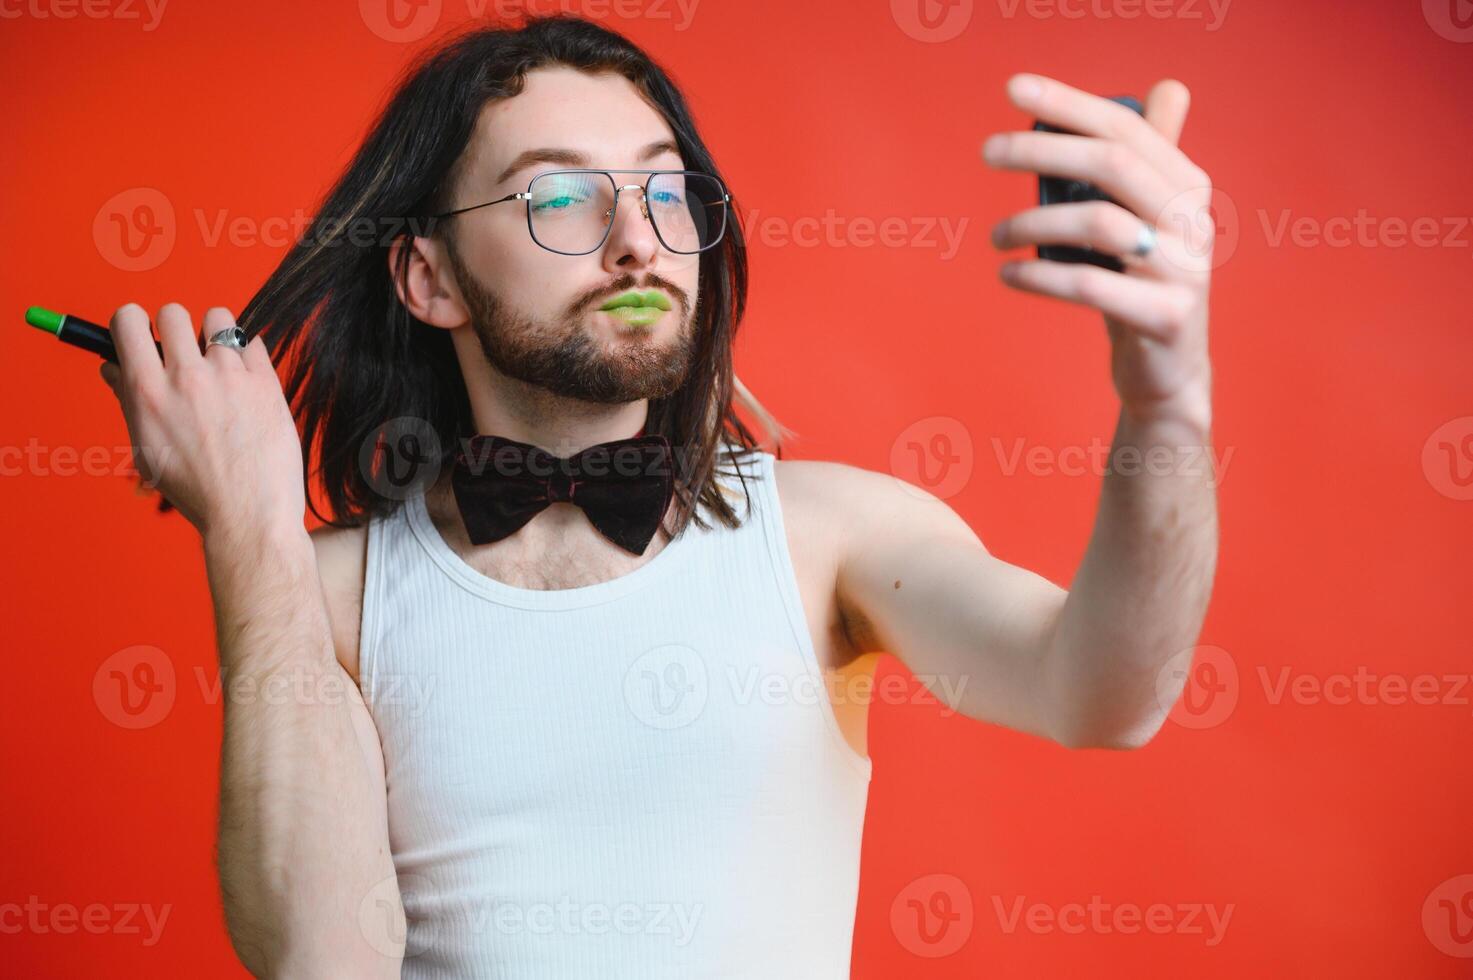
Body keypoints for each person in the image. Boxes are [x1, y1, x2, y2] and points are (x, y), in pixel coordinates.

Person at [98, 14, 1219, 978]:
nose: (638, 240)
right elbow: (321, 957)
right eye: (562, 196)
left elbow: (1102, 693)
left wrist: (1168, 399)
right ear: (428, 278)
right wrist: (249, 528)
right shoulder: (329, 592)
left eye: (665, 188)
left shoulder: (831, 538)